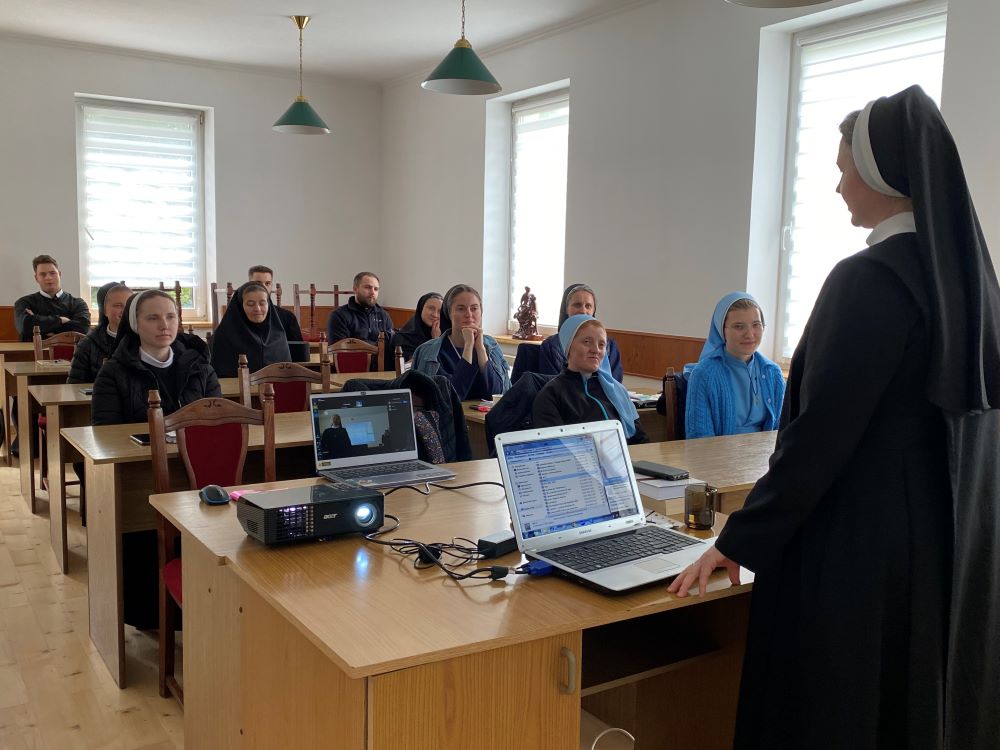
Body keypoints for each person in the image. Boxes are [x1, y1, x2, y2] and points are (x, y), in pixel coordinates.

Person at [668, 86, 1000, 750]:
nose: (839, 183)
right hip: (948, 549)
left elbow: (818, 440)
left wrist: (737, 541)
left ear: (883, 173)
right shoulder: (968, 285)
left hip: (863, 553)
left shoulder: (868, 280)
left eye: (846, 165)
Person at [92, 289, 221, 630]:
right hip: (144, 473)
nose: (164, 325)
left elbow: (219, 417)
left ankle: (210, 608)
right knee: (141, 528)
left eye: (171, 317)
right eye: (152, 318)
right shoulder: (113, 372)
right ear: (135, 324)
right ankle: (151, 617)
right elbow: (106, 434)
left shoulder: (199, 365)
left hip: (201, 469)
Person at [532, 315, 647, 444]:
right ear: (568, 347)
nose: (596, 350)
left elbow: (641, 440)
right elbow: (555, 449)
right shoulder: (551, 395)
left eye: (601, 344)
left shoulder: (617, 391)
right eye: (587, 342)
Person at [684, 293, 784, 438]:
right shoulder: (704, 374)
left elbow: (782, 431)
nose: (750, 334)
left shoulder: (772, 373)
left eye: (756, 325)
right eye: (739, 326)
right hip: (719, 458)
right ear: (722, 331)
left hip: (765, 457)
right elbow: (699, 438)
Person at [411, 284, 510, 400]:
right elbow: (451, 397)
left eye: (474, 308)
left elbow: (496, 394)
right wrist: (468, 346)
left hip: (483, 418)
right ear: (449, 313)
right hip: (449, 418)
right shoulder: (430, 351)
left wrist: (480, 349)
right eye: (461, 309)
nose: (469, 314)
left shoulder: (492, 346)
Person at [538, 284, 624, 382]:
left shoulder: (610, 346)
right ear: (566, 309)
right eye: (577, 305)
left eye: (588, 306)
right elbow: (551, 384)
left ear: (593, 311)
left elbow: (615, 382)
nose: (583, 310)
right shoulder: (550, 346)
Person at [209, 282, 291, 377]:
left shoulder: (278, 335)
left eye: (262, 303)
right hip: (234, 389)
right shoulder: (223, 336)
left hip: (276, 390)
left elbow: (287, 375)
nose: (257, 309)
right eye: (250, 304)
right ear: (240, 306)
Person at [14, 255, 92, 342]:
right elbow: (24, 326)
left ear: (59, 274)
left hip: (71, 354)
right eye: (43, 274)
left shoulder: (78, 303)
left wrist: (40, 327)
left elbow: (82, 328)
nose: (48, 278)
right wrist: (61, 320)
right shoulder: (24, 302)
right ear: (36, 278)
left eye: (52, 273)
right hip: (32, 353)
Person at [326, 271, 394, 370]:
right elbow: (340, 351)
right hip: (350, 371)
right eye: (367, 287)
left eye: (376, 289)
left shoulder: (384, 315)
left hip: (382, 370)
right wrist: (376, 348)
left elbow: (390, 345)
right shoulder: (339, 316)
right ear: (355, 289)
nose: (372, 292)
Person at [67, 283, 131, 384]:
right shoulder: (87, 344)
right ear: (105, 310)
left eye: (128, 306)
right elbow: (74, 385)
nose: (124, 311)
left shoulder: (144, 340)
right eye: (118, 306)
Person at [247, 264, 307, 359]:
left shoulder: (287, 317)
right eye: (258, 283)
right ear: (248, 285)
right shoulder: (238, 315)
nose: (263, 287)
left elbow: (298, 353)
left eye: (267, 283)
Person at [390, 292, 443, 362]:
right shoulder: (403, 338)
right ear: (421, 309)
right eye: (431, 308)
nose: (435, 315)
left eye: (439, 311)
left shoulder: (442, 334)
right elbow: (412, 367)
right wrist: (435, 341)